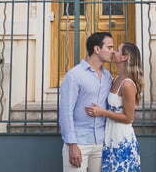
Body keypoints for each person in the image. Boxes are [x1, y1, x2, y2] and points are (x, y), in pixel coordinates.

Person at [59, 31, 114, 171]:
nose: (112, 51)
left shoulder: (108, 77)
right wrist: (72, 145)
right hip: (79, 143)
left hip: (100, 143)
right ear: (97, 49)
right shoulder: (74, 75)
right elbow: (65, 112)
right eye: (109, 47)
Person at [85, 42, 143, 172]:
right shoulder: (116, 78)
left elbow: (129, 118)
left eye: (117, 50)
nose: (113, 51)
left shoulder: (127, 84)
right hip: (110, 136)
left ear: (124, 57)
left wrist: (102, 112)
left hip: (121, 139)